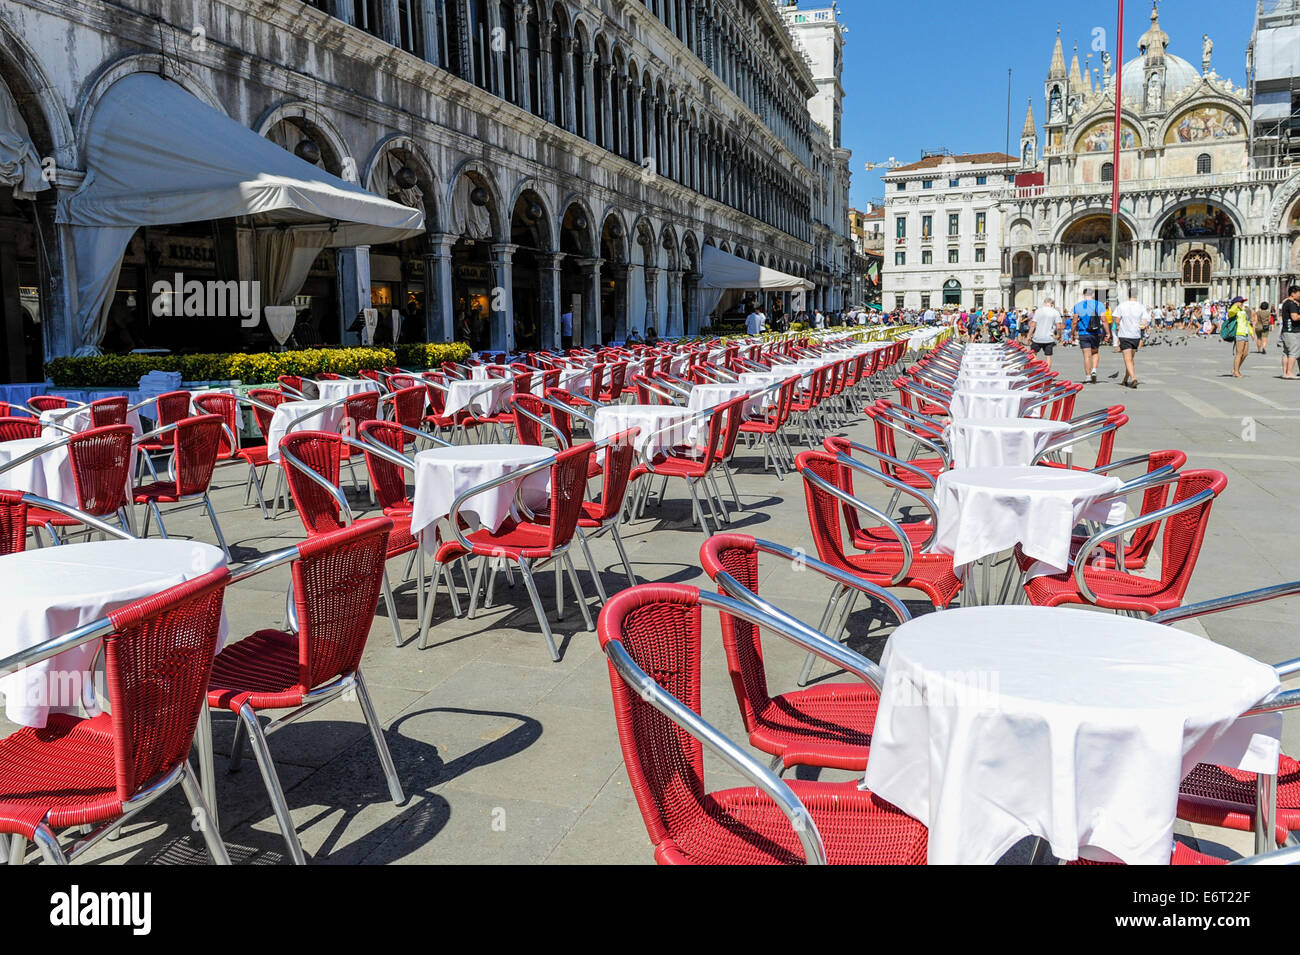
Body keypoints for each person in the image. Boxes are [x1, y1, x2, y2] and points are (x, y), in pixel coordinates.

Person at [1113, 288, 1150, 388]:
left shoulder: (1121, 305)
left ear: (1128, 294)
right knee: (1131, 359)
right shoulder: (1141, 306)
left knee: (1127, 359)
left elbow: (1116, 320)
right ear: (1137, 295)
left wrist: (1119, 325)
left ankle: (1133, 379)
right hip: (1135, 336)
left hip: (1124, 335)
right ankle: (1125, 379)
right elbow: (1144, 322)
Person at [1071, 289, 1106, 382]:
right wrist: (1108, 332)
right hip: (1095, 333)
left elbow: (1074, 322)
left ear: (1083, 294)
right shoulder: (1100, 304)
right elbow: (1104, 320)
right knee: (1095, 353)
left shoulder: (1077, 306)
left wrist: (1072, 333)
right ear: (1093, 294)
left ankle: (1087, 377)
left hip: (1083, 333)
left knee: (1087, 356)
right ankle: (1094, 370)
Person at [1029, 297, 1063, 370]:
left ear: (1044, 303)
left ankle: (1034, 371)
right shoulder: (1055, 312)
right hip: (1049, 338)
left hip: (1037, 337)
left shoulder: (1038, 311)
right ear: (1052, 304)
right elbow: (1059, 327)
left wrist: (1029, 335)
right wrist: (1059, 335)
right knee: (1048, 356)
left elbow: (1033, 325)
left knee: (1033, 354)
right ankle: (1046, 373)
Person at [1229, 296, 1253, 378]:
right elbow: (1230, 312)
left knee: (1245, 353)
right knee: (1239, 353)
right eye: (1241, 302)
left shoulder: (1242, 310)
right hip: (1239, 333)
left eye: (1242, 302)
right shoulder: (1234, 311)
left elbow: (1246, 322)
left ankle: (1236, 369)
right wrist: (1235, 305)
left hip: (1245, 333)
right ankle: (1236, 371)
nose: (1242, 304)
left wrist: (1252, 333)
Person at [1280, 286, 1300, 379]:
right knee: (1293, 353)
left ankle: (1285, 373)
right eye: (1299, 293)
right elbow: (1295, 317)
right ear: (1293, 293)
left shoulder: (1286, 303)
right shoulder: (1292, 304)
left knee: (1286, 353)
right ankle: (1290, 372)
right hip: (1293, 331)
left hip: (1285, 331)